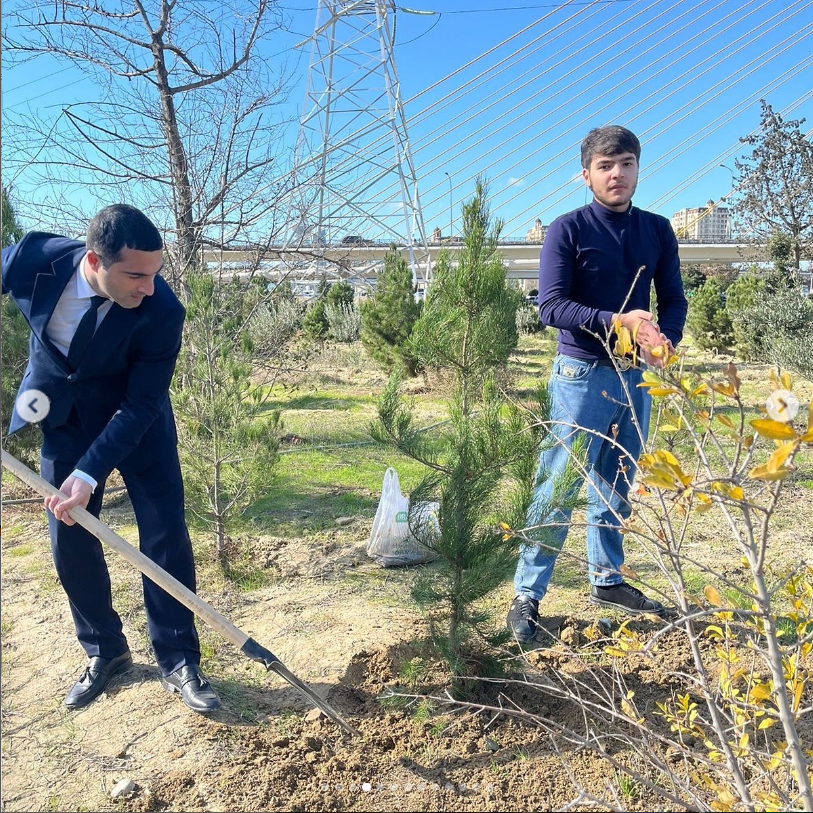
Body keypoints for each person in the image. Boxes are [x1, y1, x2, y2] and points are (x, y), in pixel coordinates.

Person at [2, 204, 220, 712]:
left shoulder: (162, 311)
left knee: (164, 535)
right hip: (64, 418)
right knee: (69, 539)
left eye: (156, 273)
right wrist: (76, 467)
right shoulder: (34, 261)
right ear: (95, 260)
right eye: (136, 275)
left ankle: (178, 658)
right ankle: (105, 650)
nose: (148, 286)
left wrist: (89, 472)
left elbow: (141, 403)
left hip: (136, 426)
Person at [507, 126, 688, 643]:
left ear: (637, 169)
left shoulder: (657, 230)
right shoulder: (567, 229)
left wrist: (664, 338)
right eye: (606, 166)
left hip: (636, 377)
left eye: (626, 163)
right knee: (557, 486)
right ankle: (527, 594)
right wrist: (620, 322)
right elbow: (551, 307)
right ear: (586, 174)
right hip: (580, 375)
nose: (617, 174)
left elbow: (673, 299)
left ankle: (607, 580)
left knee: (617, 482)